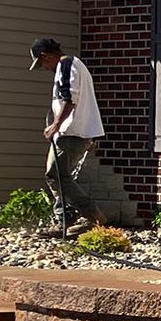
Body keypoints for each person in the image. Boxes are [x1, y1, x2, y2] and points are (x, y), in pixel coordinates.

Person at [29, 38, 105, 235]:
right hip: (73, 132)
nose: (45, 68)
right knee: (60, 177)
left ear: (46, 55)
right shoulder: (74, 65)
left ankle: (91, 216)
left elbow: (70, 98)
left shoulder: (66, 65)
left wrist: (56, 125)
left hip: (72, 133)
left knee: (56, 176)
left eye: (42, 63)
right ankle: (65, 220)